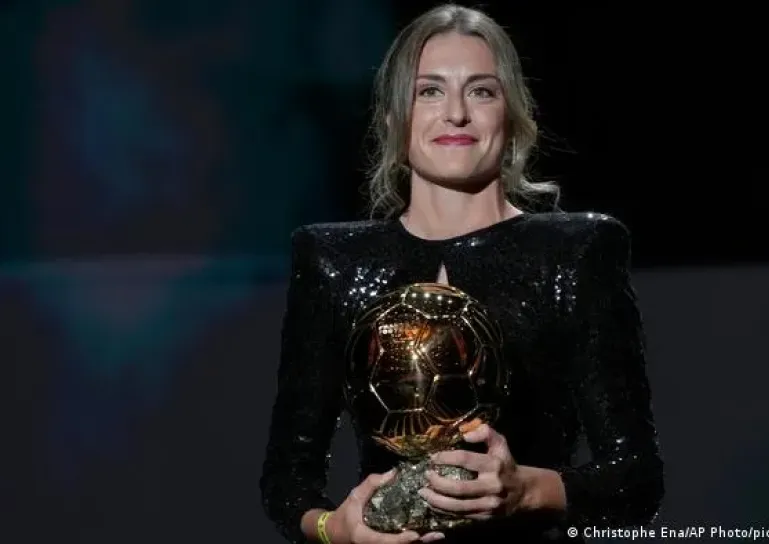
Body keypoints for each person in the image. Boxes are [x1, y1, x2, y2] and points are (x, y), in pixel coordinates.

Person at [260, 4, 664, 543]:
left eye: (481, 91)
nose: (455, 114)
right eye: (429, 91)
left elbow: (636, 480)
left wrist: (526, 490)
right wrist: (338, 529)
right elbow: (287, 480)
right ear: (392, 118)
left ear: (513, 115)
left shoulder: (575, 252)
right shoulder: (334, 260)